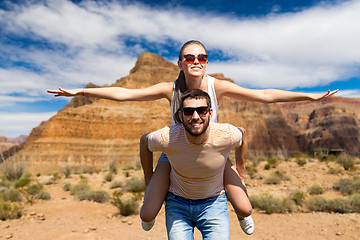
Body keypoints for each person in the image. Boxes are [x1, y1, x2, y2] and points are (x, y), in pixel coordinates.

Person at [47, 40, 338, 235]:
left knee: (245, 206)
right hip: (177, 153)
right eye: (189, 57)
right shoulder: (168, 88)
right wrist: (82, 92)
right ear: (180, 63)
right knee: (147, 213)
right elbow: (126, 95)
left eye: (201, 57)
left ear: (207, 62)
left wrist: (308, 95)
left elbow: (263, 95)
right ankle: (155, 200)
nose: (196, 61)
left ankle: (239, 211)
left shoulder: (217, 86)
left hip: (213, 151)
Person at [142, 89, 247, 239]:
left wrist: (241, 173)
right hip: (177, 202)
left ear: (210, 113)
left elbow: (243, 135)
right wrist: (148, 178)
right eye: (189, 112)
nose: (196, 117)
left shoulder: (226, 134)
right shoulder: (167, 137)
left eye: (202, 111)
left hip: (214, 202)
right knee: (146, 214)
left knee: (245, 209)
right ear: (180, 115)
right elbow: (144, 142)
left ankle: (243, 215)